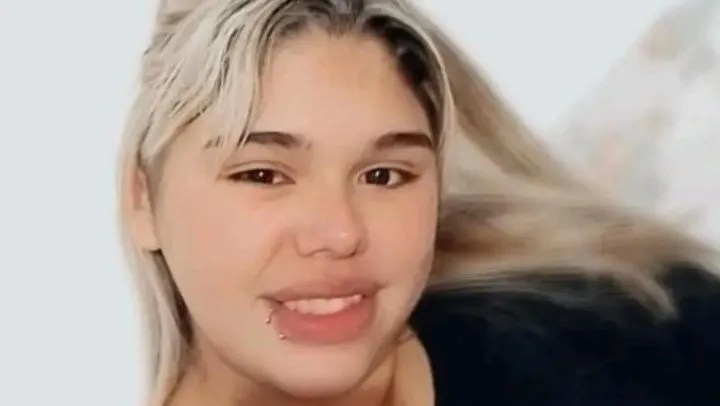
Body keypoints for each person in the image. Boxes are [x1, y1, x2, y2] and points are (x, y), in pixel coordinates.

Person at [116, 0, 720, 405]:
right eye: (263, 175)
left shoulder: (622, 337)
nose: (340, 232)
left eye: (383, 175)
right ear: (142, 199)